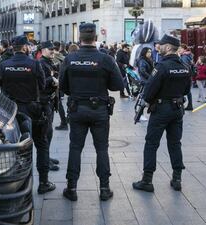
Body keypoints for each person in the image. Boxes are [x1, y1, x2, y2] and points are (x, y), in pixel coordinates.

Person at [59, 23, 124, 201]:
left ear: (80, 39)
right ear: (95, 38)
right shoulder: (106, 59)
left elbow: (63, 87)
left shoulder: (69, 59)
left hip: (77, 109)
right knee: (102, 149)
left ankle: (71, 188)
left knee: (75, 148)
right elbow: (118, 85)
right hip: (99, 110)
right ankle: (104, 188)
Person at [132, 34, 192, 193]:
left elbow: (150, 90)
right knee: (175, 143)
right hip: (177, 109)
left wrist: (146, 102)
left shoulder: (161, 67)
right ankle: (177, 178)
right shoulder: (184, 66)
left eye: (161, 45)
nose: (158, 47)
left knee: (151, 143)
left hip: (161, 110)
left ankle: (147, 180)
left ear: (168, 47)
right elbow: (186, 90)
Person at [0, 35, 56, 194]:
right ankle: (43, 182)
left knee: (18, 149)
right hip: (34, 110)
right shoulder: (35, 64)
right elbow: (42, 84)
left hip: (14, 112)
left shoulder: (4, 65)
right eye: (28, 46)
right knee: (42, 144)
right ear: (24, 47)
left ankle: (21, 185)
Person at [39, 41, 61, 172]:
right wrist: (52, 80)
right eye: (50, 49)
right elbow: (41, 83)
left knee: (49, 132)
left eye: (53, 49)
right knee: (46, 133)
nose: (53, 51)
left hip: (50, 101)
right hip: (44, 102)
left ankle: (47, 157)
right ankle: (45, 161)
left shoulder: (49, 62)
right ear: (42, 50)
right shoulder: (41, 63)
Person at [55, 43, 80, 131]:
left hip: (70, 89)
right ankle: (68, 118)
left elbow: (62, 77)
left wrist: (65, 90)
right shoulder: (80, 60)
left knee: (63, 104)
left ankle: (65, 121)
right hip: (79, 91)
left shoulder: (67, 60)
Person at [178, 44, 194, 110]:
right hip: (189, 76)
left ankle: (181, 105)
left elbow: (184, 67)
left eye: (180, 49)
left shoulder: (184, 57)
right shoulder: (188, 55)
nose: (179, 50)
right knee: (188, 91)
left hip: (185, 76)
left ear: (184, 49)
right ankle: (190, 105)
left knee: (181, 90)